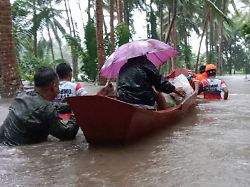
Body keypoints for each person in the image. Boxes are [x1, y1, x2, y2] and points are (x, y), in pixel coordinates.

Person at [0, 67, 79, 146]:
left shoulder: (22, 96)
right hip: (14, 150)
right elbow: (67, 134)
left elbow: (50, 107)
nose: (59, 89)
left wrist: (72, 105)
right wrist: (77, 113)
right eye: (58, 85)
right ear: (54, 85)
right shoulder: (46, 109)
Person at [116, 56, 186, 109]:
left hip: (123, 101)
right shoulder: (145, 64)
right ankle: (165, 114)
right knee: (158, 94)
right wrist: (175, 89)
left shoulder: (123, 67)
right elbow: (160, 84)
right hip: (143, 101)